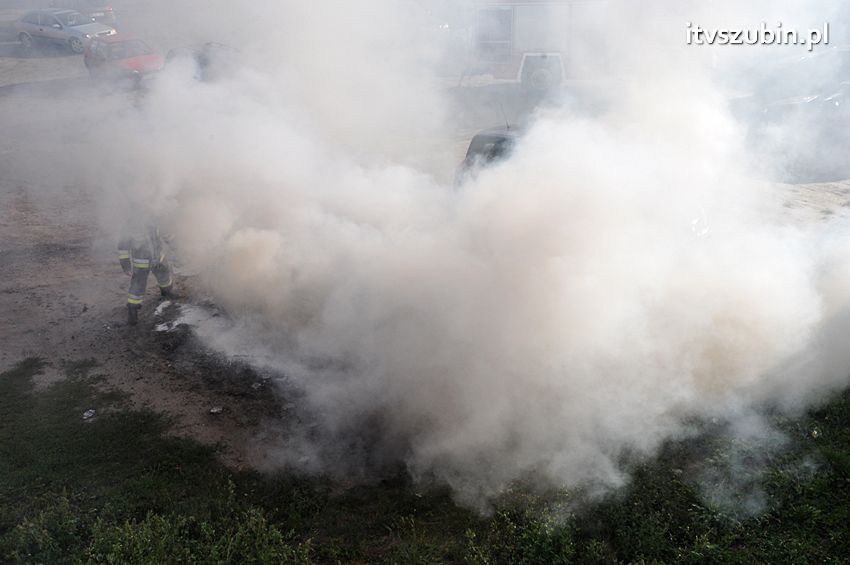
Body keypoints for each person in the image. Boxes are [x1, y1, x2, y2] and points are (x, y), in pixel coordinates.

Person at [117, 225, 173, 326]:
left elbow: (166, 233)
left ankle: (167, 294)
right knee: (137, 288)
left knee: (164, 277)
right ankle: (132, 314)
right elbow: (123, 247)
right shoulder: (129, 225)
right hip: (141, 263)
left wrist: (174, 244)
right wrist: (125, 265)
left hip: (158, 259)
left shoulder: (154, 218)